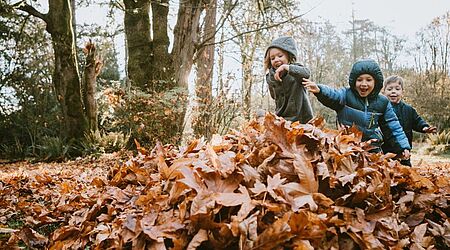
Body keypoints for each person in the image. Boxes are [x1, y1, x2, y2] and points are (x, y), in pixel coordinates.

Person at [302, 58, 411, 157]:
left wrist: (403, 147)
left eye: (368, 80)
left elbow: (393, 126)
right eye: (359, 80)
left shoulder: (383, 102)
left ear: (376, 82)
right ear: (354, 82)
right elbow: (333, 95)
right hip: (347, 145)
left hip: (372, 147)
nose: (364, 84)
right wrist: (320, 90)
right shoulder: (345, 95)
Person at [381, 75, 437, 166]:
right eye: (390, 89)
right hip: (386, 149)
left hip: (404, 151)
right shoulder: (381, 109)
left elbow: (417, 121)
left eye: (397, 89)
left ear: (402, 92)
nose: (393, 91)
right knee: (386, 171)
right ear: (383, 92)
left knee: (406, 172)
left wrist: (424, 127)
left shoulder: (408, 109)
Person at [264, 36, 313, 123]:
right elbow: (273, 96)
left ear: (288, 55)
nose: (276, 60)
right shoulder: (270, 77)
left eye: (280, 56)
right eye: (272, 58)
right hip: (282, 119)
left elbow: (307, 73)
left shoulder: (296, 70)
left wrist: (286, 68)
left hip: (301, 119)